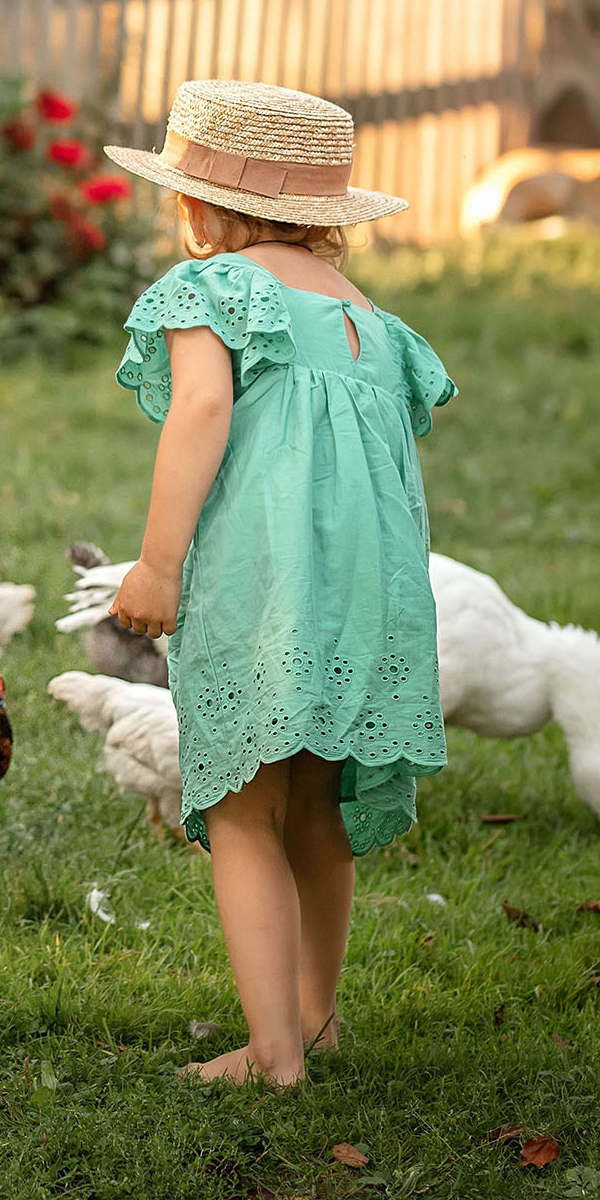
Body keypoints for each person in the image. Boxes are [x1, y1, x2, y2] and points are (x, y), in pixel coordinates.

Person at [103, 80, 454, 1087]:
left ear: (199, 207)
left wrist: (159, 563)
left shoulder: (208, 290)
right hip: (367, 592)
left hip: (266, 588)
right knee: (317, 807)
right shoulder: (369, 321)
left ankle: (269, 1055)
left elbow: (200, 416)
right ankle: (309, 1017)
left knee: (244, 809)